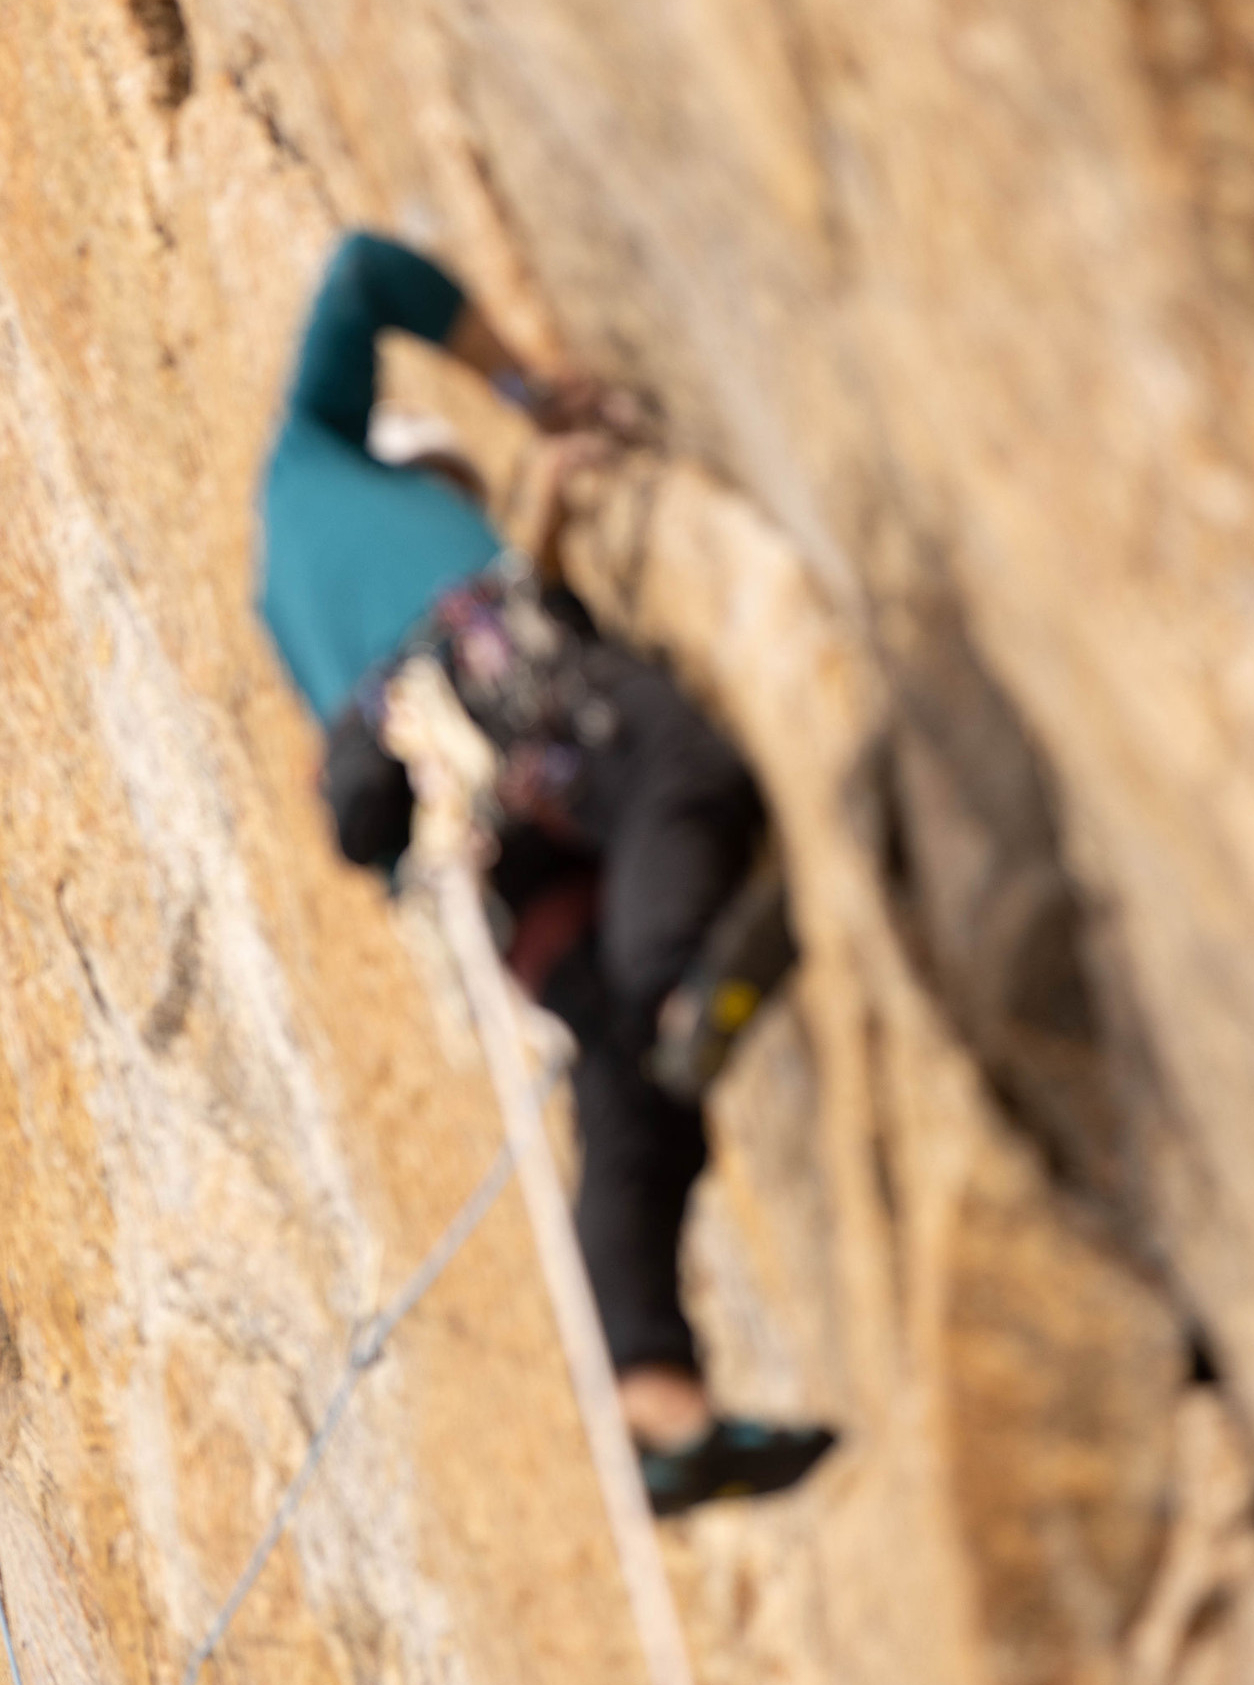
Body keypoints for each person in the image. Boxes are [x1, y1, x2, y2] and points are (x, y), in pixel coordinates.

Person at [259, 232, 831, 1513]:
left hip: (471, 855)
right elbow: (363, 274)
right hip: (487, 694)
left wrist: (543, 524)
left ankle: (657, 1404)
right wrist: (529, 390)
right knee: (679, 768)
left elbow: (435, 748)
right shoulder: (312, 465)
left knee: (629, 1084)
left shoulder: (306, 618)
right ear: (412, 467)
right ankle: (678, 981)